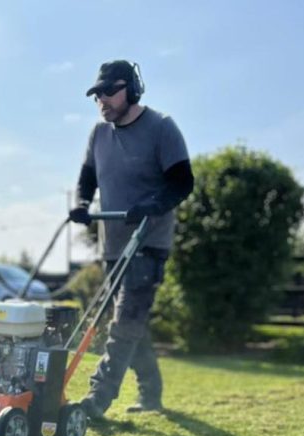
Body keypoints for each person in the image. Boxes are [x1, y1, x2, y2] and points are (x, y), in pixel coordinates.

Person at [70, 59, 193, 417]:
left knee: (124, 323)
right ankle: (151, 393)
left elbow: (182, 182)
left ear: (132, 89)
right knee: (131, 323)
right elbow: (87, 179)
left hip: (148, 244)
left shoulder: (162, 127)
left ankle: (97, 400)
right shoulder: (98, 134)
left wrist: (153, 204)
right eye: (97, 95)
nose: (102, 101)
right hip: (113, 245)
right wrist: (81, 204)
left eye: (109, 92)